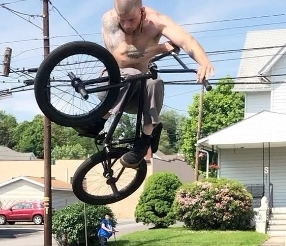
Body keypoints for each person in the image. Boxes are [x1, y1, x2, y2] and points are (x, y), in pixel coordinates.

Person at [77, 0, 214, 169]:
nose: (127, 25)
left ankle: (145, 139)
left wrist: (204, 62)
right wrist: (161, 48)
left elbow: (186, 40)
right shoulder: (110, 20)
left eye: (132, 20)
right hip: (111, 88)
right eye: (123, 19)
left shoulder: (157, 20)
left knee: (155, 82)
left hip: (138, 98)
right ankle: (98, 121)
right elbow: (121, 57)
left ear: (141, 11)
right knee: (133, 74)